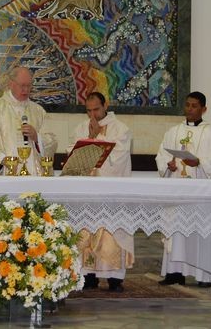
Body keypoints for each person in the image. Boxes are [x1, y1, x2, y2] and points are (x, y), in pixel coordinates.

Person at [155, 91, 211, 287]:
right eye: (187, 105)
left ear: (204, 109)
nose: (190, 109)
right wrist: (167, 166)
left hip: (200, 195)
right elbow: (161, 155)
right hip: (178, 192)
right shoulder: (173, 132)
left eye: (194, 106)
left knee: (200, 231)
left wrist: (199, 163)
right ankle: (174, 273)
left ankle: (204, 275)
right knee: (176, 230)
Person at [67, 92, 133, 292]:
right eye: (88, 110)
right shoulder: (80, 128)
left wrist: (97, 137)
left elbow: (118, 159)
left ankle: (114, 278)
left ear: (106, 105)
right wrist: (89, 138)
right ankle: (88, 276)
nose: (92, 115)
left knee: (110, 232)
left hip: (111, 190)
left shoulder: (121, 129)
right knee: (87, 229)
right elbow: (73, 154)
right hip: (87, 190)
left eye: (96, 109)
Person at [0, 67, 57, 175]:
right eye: (22, 85)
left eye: (29, 86)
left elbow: (52, 141)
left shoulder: (38, 111)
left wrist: (37, 137)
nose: (26, 90)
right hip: (5, 173)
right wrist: (6, 161)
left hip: (34, 175)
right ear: (11, 84)